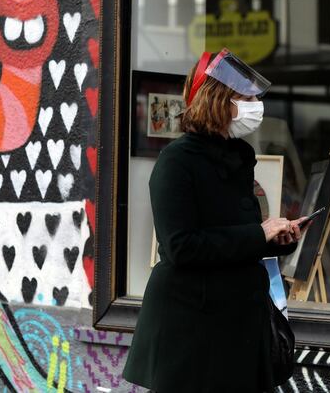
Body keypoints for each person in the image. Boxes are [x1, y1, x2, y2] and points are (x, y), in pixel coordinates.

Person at [123, 49, 305, 393]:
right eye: (246, 96)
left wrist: (278, 238)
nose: (255, 104)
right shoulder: (175, 162)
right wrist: (257, 234)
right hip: (193, 328)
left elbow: (236, 237)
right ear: (219, 100)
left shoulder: (239, 157)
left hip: (238, 323)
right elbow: (180, 247)